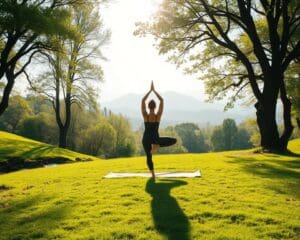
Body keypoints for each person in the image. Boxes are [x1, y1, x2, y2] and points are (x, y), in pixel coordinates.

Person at [141, 81, 177, 179]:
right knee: (173, 140)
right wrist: (154, 91)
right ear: (155, 107)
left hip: (146, 139)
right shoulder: (158, 116)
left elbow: (143, 100)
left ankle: (153, 175)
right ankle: (156, 146)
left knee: (149, 157)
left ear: (148, 106)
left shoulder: (145, 115)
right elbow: (161, 100)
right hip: (155, 139)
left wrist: (149, 91)